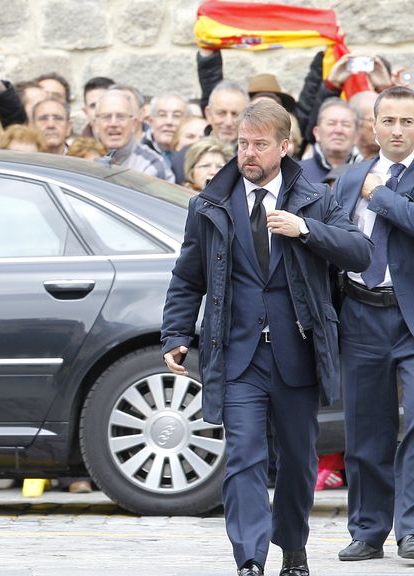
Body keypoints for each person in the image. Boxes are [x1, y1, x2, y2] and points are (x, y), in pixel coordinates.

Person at [161, 99, 371, 576]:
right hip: (237, 356)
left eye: (259, 145)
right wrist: (176, 332)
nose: (248, 154)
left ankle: (293, 550)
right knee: (243, 458)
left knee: (298, 463)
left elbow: (360, 253)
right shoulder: (210, 204)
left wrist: (306, 230)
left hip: (296, 353)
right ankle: (249, 558)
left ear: (284, 147)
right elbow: (188, 277)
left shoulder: (315, 198)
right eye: (242, 144)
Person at [333, 85, 414, 563]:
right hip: (360, 313)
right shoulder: (350, 177)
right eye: (390, 121)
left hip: (409, 318)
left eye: (407, 122)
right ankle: (368, 530)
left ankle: (411, 529)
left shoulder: (374, 185)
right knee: (365, 429)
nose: (398, 130)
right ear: (375, 125)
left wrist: (380, 196)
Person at [92, 89, 174, 181]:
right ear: (95, 125)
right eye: (106, 117)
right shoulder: (82, 159)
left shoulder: (150, 165)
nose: (113, 123)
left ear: (134, 124)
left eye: (121, 117)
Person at [299, 98, 357, 183]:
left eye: (345, 124)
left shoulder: (368, 173)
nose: (338, 130)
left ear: (356, 136)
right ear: (317, 133)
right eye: (331, 123)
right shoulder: (297, 173)